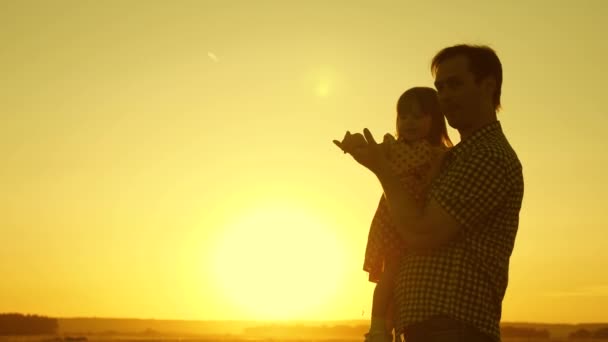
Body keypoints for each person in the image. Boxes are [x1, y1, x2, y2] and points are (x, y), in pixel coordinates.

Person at [334, 44, 524, 342]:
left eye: (456, 84)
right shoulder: (454, 157)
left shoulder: (486, 156)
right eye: (440, 87)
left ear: (488, 87)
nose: (445, 95)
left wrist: (383, 170)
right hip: (433, 324)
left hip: (453, 325)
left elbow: (422, 234)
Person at [354, 87, 452, 342]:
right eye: (404, 116)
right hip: (393, 220)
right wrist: (352, 144)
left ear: (435, 119)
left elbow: (432, 184)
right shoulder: (392, 147)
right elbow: (369, 150)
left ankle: (391, 328)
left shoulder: (437, 153)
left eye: (418, 116)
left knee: (403, 277)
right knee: (391, 271)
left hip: (418, 217)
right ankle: (377, 329)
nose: (409, 122)